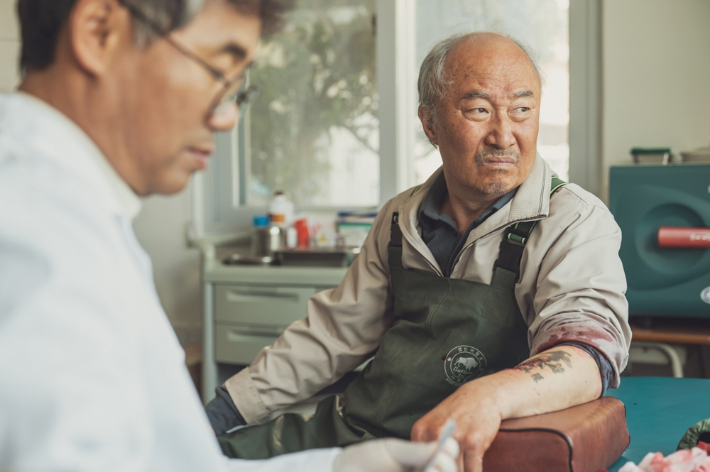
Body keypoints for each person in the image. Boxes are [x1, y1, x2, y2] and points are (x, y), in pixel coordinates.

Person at [0, 0, 460, 471]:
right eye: (218, 74)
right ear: (98, 32)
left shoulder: (74, 209)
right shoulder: (34, 229)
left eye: (238, 90)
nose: (227, 117)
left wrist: (338, 468)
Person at [208, 32, 632, 472]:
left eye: (522, 110)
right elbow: (330, 338)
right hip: (356, 430)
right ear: (430, 123)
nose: (504, 135)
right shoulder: (400, 218)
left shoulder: (573, 220)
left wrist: (486, 394)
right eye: (479, 110)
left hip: (455, 455)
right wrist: (219, 413)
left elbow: (588, 355)